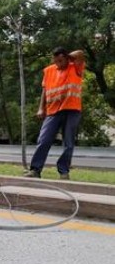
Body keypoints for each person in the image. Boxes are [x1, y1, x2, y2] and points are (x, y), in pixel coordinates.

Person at [24, 47, 85, 180]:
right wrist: (41, 108)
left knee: (68, 142)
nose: (58, 63)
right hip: (53, 110)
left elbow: (80, 53)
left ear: (67, 58)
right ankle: (35, 170)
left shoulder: (75, 66)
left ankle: (64, 171)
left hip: (72, 110)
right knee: (44, 139)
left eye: (61, 60)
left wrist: (68, 57)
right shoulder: (49, 70)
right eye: (56, 60)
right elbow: (45, 91)